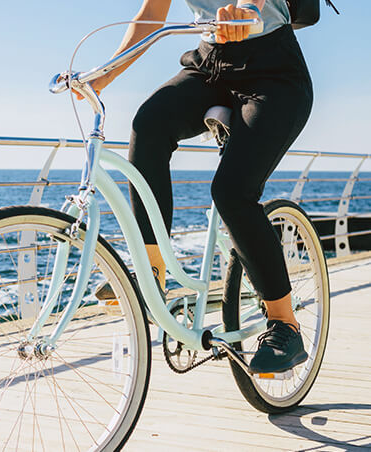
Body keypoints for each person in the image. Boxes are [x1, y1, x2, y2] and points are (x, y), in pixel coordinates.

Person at [89, 0, 313, 373]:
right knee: (148, 127)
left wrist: (246, 9)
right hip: (210, 65)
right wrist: (104, 75)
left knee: (231, 192)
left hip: (274, 73)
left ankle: (284, 324)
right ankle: (152, 274)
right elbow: (150, 16)